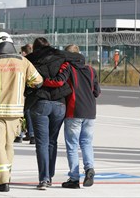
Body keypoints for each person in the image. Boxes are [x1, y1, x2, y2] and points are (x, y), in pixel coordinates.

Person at [0, 32, 43, 192]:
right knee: (9, 145)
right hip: (15, 112)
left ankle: (2, 181)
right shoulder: (23, 62)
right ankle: (7, 175)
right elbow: (38, 82)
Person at [25, 38, 84, 190]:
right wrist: (58, 52)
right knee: (52, 141)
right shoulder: (60, 56)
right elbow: (80, 59)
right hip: (59, 103)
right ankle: (49, 176)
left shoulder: (29, 60)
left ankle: (44, 179)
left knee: (42, 143)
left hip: (40, 101)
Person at [42, 44, 100, 189]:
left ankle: (74, 178)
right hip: (91, 111)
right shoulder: (91, 70)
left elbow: (59, 81)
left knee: (72, 145)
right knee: (86, 142)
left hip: (74, 110)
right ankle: (89, 168)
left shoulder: (68, 67)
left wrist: (42, 81)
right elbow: (97, 92)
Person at [15, 43, 35, 144]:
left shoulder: (23, 62)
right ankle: (31, 134)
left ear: (23, 52)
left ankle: (20, 134)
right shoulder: (35, 61)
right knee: (29, 112)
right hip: (32, 91)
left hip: (22, 90)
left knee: (22, 113)